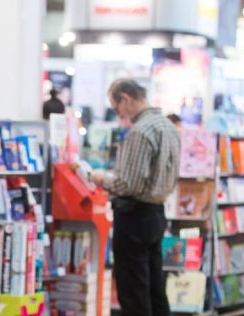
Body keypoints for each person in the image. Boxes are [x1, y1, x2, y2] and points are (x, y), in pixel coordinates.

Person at [91, 78, 180, 316]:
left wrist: (99, 178)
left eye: (115, 107)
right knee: (154, 287)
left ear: (126, 99)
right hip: (156, 213)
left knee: (133, 290)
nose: (118, 113)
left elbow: (127, 183)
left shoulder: (140, 132)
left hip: (134, 216)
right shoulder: (168, 127)